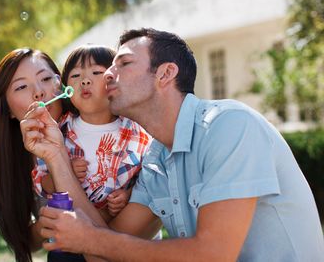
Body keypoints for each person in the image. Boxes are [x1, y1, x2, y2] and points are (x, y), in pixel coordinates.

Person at [22, 28, 324, 261]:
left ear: (165, 74)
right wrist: (57, 155)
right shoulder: (156, 161)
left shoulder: (229, 125)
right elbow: (101, 252)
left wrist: (89, 239)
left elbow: (212, 256)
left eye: (123, 62)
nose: (108, 74)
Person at [32, 45, 152, 261]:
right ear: (66, 88)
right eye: (76, 75)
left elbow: (146, 179)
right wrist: (61, 173)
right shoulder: (59, 131)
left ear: (116, 82)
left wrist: (127, 196)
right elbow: (40, 181)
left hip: (118, 234)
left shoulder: (137, 133)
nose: (84, 81)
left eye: (96, 73)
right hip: (69, 240)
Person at [0, 48, 106, 262]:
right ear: (9, 110)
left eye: (46, 79)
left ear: (60, 84)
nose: (38, 92)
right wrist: (50, 220)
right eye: (21, 86)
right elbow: (26, 241)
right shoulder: (9, 162)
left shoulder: (101, 126)